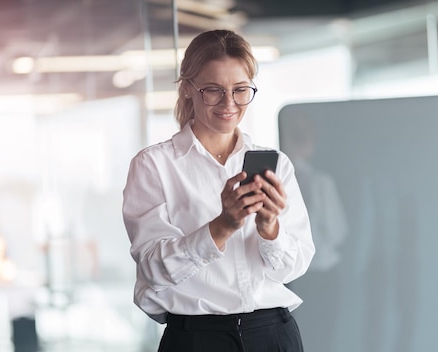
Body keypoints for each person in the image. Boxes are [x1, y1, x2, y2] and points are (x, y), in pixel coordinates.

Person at [122, 29, 315, 352]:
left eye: (240, 90)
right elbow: (154, 268)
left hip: (272, 333)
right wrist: (221, 227)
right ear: (187, 89)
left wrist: (270, 229)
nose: (229, 103)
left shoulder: (276, 164)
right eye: (213, 90)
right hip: (198, 337)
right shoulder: (153, 165)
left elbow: (294, 266)